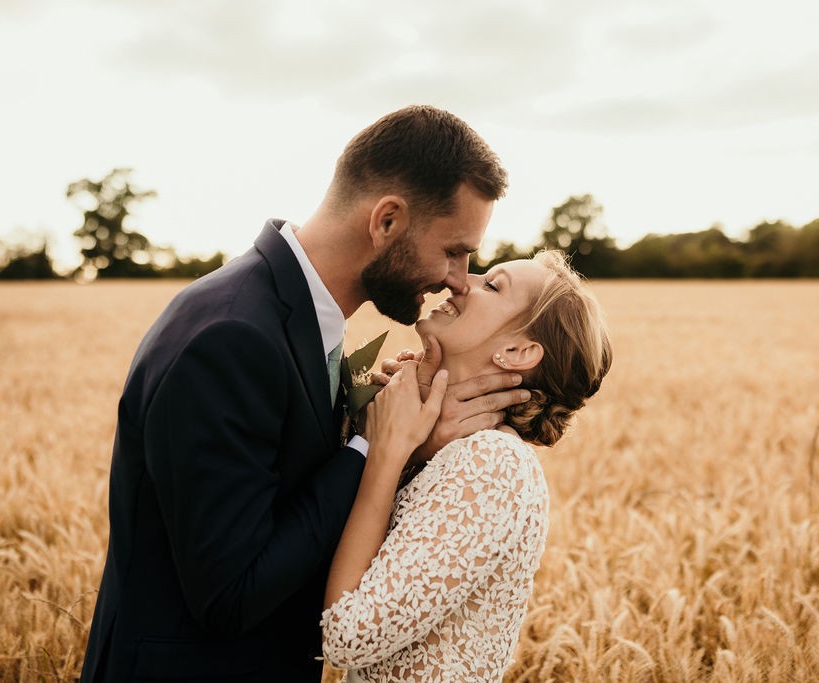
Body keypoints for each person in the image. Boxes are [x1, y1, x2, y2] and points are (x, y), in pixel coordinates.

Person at [79, 105, 530, 682]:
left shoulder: (299, 322)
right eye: (453, 250)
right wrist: (371, 446)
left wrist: (407, 450)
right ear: (386, 221)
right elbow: (231, 595)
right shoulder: (230, 338)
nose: (459, 277)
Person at [321, 250, 612, 682]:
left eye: (492, 285)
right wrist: (394, 440)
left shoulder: (495, 465)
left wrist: (388, 449)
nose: (461, 281)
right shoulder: (450, 451)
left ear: (516, 351)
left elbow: (346, 636)